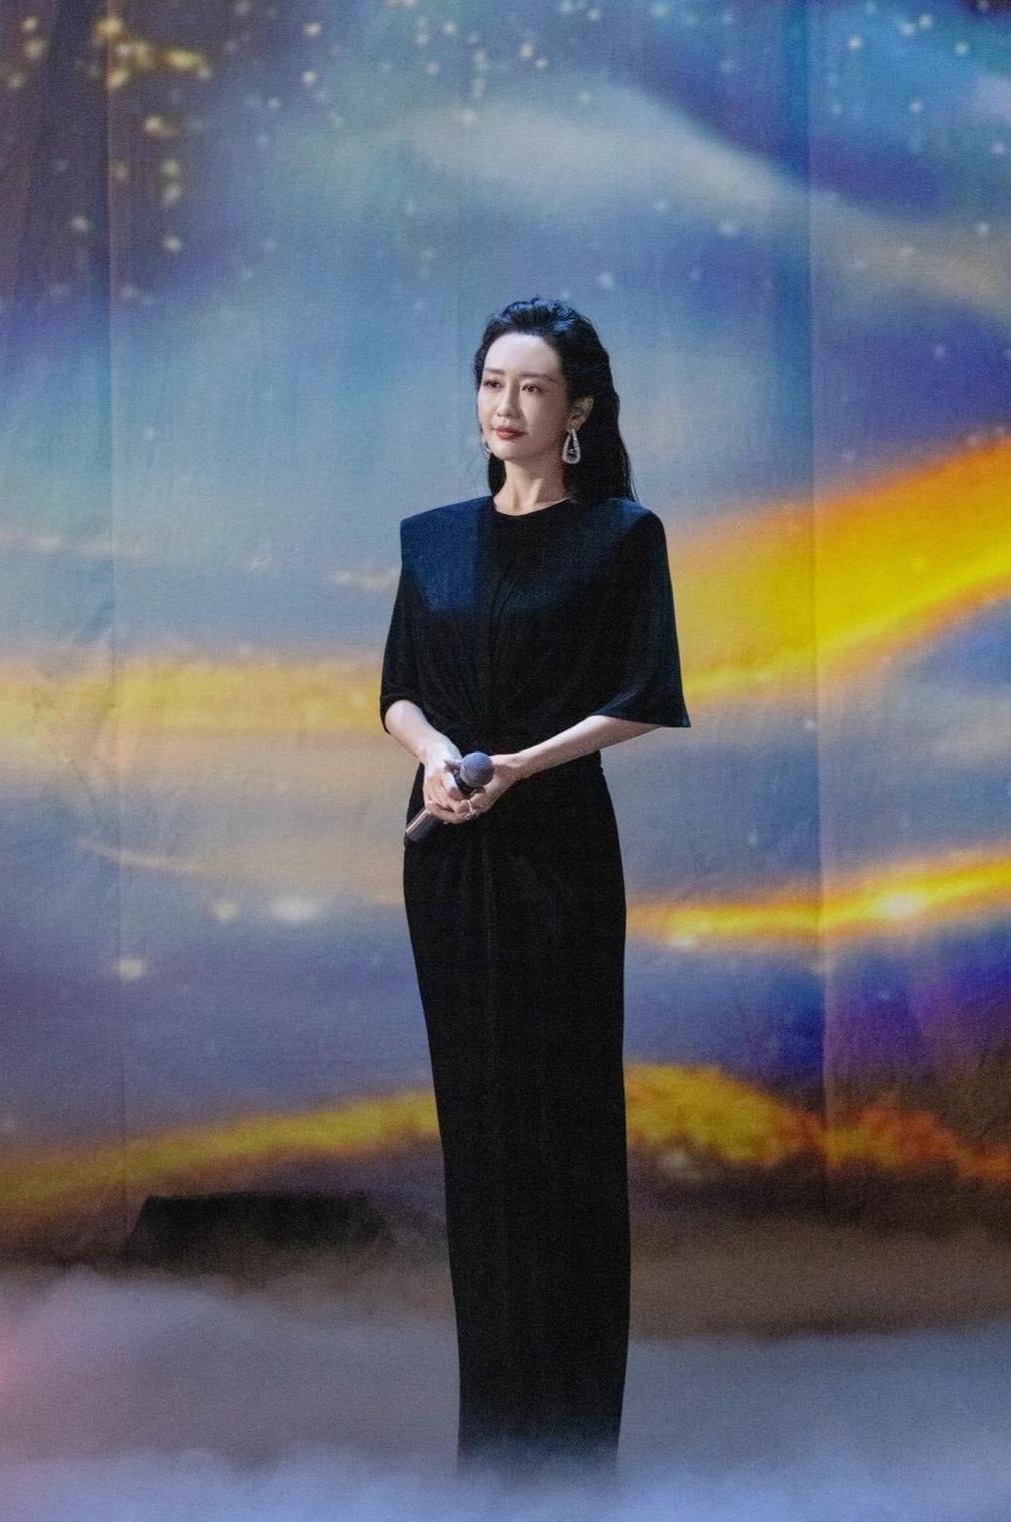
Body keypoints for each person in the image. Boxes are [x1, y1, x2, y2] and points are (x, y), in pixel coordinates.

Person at [379, 297, 690, 1481]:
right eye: (491, 383)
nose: (504, 406)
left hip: (555, 852)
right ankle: (494, 1443)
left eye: (531, 387)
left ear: (577, 410)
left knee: (560, 1135)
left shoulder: (620, 535)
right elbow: (398, 689)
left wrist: (515, 765)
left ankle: (569, 1443)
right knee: (481, 1142)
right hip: (448, 852)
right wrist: (436, 758)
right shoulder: (431, 540)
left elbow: (644, 693)